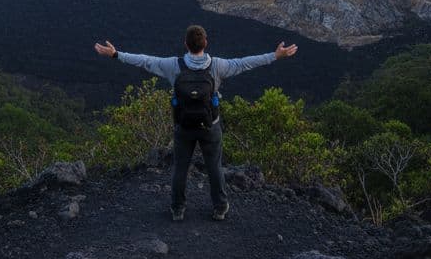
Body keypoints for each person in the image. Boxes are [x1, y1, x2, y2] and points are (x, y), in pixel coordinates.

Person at [94, 25, 297, 221]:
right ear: (205, 43)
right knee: (215, 167)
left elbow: (145, 61)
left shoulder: (173, 65)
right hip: (211, 126)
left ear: (186, 44)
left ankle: (177, 209)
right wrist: (275, 56)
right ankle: (219, 208)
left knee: (180, 167)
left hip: (183, 127)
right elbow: (245, 62)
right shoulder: (218, 66)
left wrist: (116, 54)